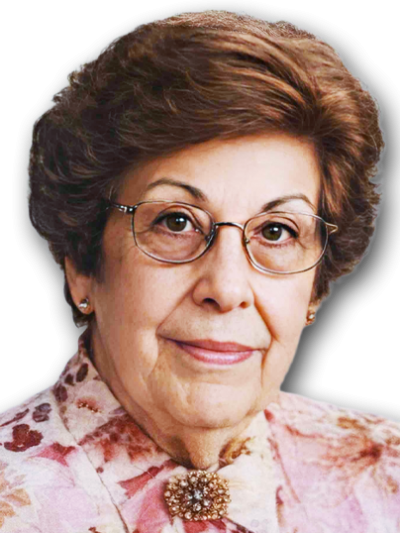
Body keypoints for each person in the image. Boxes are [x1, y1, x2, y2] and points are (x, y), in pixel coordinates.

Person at [1, 7, 399, 532]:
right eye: (176, 222)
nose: (227, 289)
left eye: (276, 231)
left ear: (314, 290)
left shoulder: (389, 474)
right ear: (82, 264)